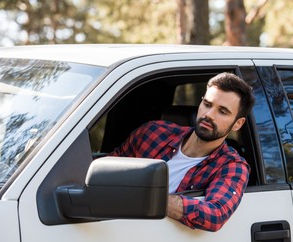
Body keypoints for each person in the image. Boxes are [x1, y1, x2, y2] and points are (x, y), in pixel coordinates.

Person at [109, 72, 255, 232]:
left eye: (222, 112)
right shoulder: (152, 132)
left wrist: (147, 197)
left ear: (237, 124)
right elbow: (106, 170)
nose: (208, 115)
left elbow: (215, 214)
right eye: (207, 104)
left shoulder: (231, 166)